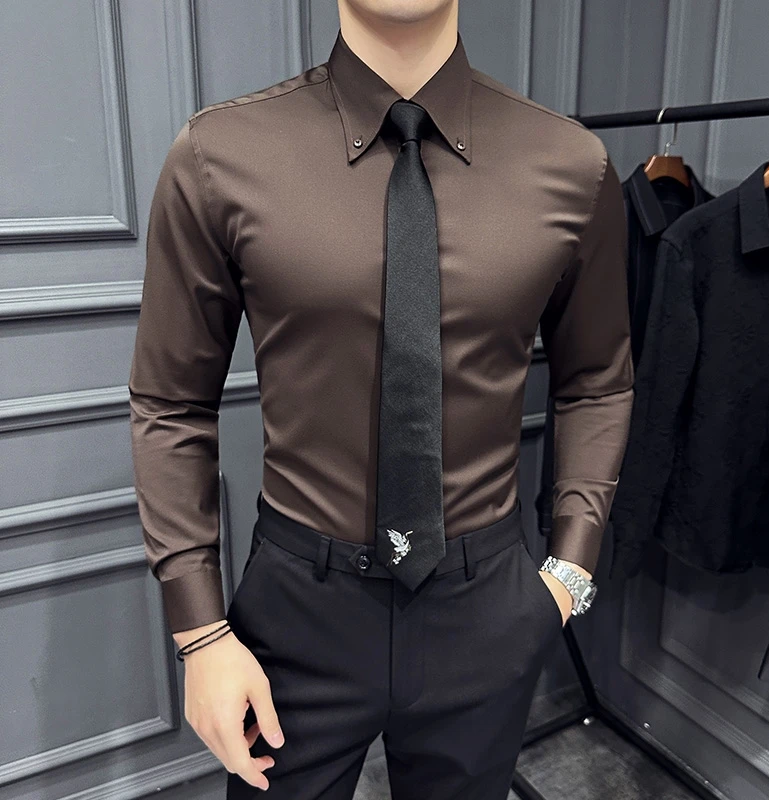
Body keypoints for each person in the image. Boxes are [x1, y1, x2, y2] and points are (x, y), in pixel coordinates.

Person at [128, 0, 634, 797]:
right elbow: (171, 399)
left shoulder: (572, 166)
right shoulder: (219, 156)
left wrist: (570, 570)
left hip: (487, 609)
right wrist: (200, 633)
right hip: (297, 615)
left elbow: (598, 380)